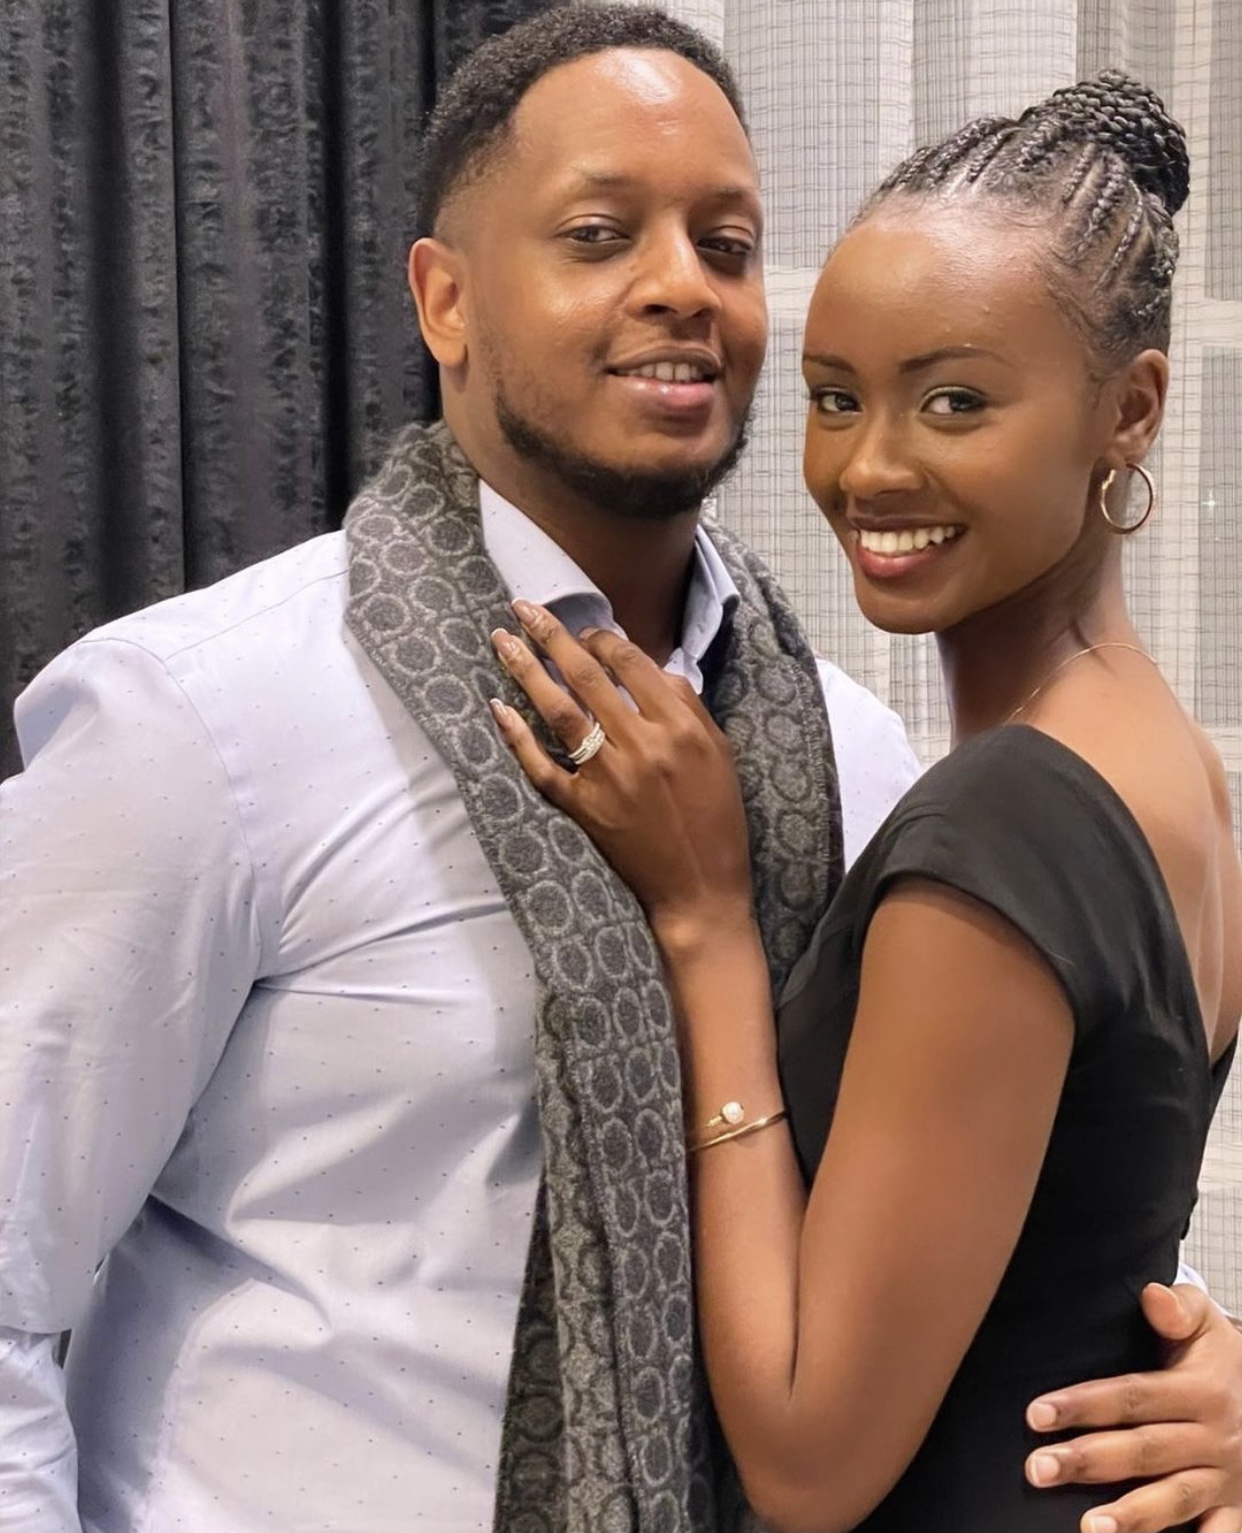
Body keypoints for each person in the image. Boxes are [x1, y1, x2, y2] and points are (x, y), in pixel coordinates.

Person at [0, 7, 1237, 1529]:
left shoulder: (853, 758)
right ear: (445, 301)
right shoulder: (201, 724)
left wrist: (1195, 1360)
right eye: (599, 235)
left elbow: (989, 1198)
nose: (679, 286)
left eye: (727, 244)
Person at [488, 64, 1242, 1533]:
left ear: (1131, 410)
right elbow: (1080, 1242)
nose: (870, 467)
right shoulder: (1174, 773)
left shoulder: (1010, 820)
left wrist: (706, 922)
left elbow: (806, 1457)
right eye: (836, 399)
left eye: (955, 401)